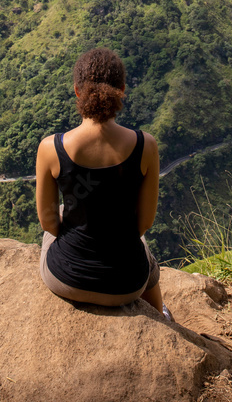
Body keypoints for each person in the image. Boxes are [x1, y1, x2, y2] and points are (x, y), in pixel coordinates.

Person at [36, 47, 172, 319]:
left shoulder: (51, 148)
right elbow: (143, 223)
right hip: (127, 285)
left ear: (77, 91)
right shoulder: (146, 146)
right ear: (122, 90)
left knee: (61, 214)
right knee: (142, 246)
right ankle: (161, 315)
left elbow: (49, 223)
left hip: (66, 279)